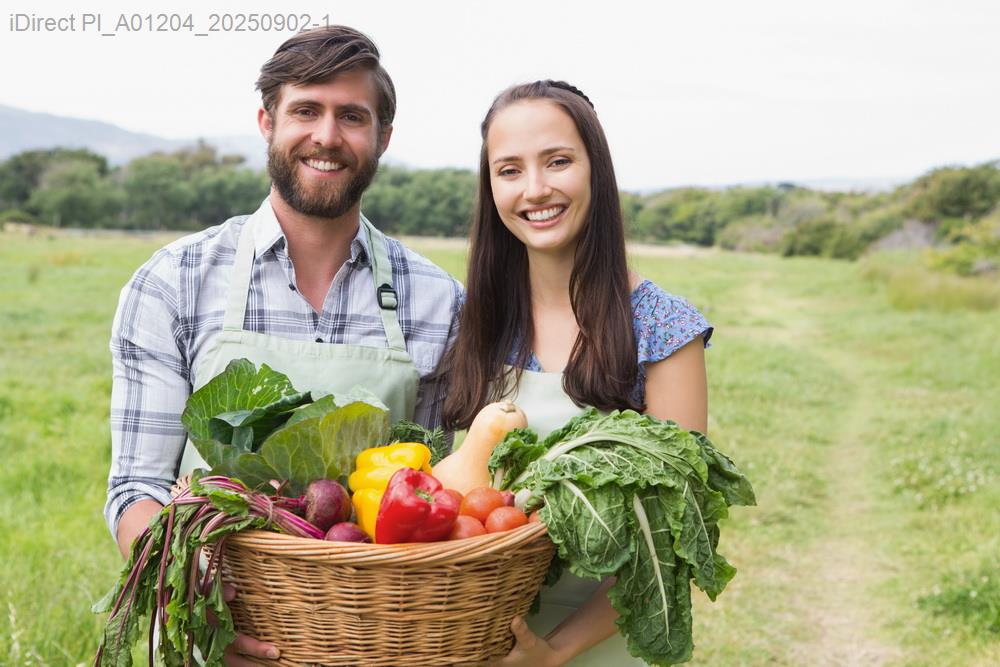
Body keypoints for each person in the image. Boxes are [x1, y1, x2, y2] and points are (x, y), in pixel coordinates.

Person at [105, 26, 463, 665]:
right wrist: (196, 602)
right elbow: (137, 487)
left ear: (383, 137)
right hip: (217, 633)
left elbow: (435, 492)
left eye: (352, 116)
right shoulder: (174, 283)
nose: (327, 136)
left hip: (378, 636)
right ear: (267, 121)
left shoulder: (438, 300)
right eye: (306, 110)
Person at [442, 80, 713, 666]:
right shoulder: (478, 320)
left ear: (596, 169)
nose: (535, 189)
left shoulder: (662, 328)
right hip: (478, 640)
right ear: (490, 188)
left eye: (558, 161)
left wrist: (552, 651)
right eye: (509, 170)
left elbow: (672, 541)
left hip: (599, 648)